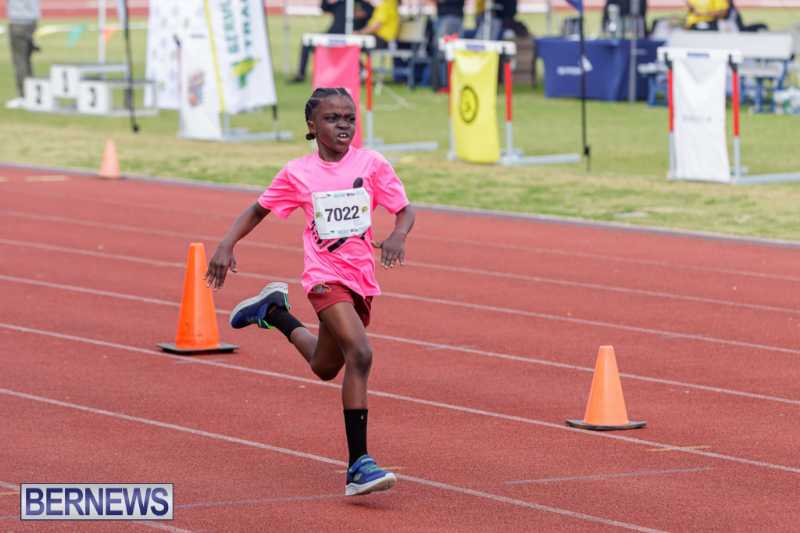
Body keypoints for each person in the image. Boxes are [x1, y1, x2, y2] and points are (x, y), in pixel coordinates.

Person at [205, 87, 415, 497]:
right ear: (311, 126)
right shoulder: (298, 173)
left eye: (349, 118)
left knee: (325, 367)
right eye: (333, 119)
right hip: (322, 277)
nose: (343, 126)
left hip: (360, 280)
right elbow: (258, 209)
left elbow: (404, 209)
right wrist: (227, 243)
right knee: (362, 353)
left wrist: (398, 234)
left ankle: (274, 312)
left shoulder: (372, 164)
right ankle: (359, 465)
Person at [291, 0, 374, 83]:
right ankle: (301, 74)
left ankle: (362, 72)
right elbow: (324, 7)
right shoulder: (341, 3)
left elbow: (371, 17)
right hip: (331, 36)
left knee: (348, 52)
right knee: (306, 41)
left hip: (351, 39)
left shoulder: (365, 6)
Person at [6, 0, 40, 109]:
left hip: (18, 21)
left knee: (20, 61)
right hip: (32, 22)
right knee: (26, 61)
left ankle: (24, 96)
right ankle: (32, 93)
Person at [429, 0, 465, 91]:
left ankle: (445, 85)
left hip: (449, 18)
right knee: (447, 51)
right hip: (449, 17)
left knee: (443, 51)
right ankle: (445, 84)